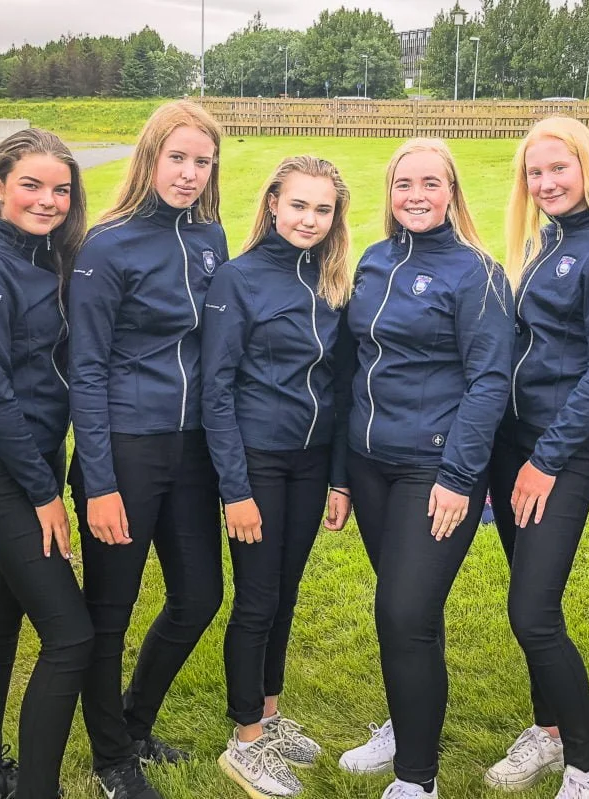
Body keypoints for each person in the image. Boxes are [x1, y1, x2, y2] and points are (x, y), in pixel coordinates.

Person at [337, 138, 514, 799]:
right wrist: (340, 474)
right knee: (407, 612)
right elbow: (350, 368)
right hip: (369, 463)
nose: (416, 195)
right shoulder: (374, 260)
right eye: (403, 183)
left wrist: (459, 477)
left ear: (452, 193)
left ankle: (418, 779)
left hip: (433, 469)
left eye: (430, 183)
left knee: (403, 610)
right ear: (389, 192)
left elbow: (490, 380)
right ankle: (407, 722)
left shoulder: (478, 273)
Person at [67, 99, 229, 799]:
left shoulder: (211, 237)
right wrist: (99, 482)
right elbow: (86, 369)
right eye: (177, 158)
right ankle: (112, 759)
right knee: (111, 610)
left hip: (191, 450)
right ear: (150, 158)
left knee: (199, 596)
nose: (189, 173)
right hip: (125, 449)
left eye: (202, 162)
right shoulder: (107, 245)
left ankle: (134, 723)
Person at [485, 116, 589, 799]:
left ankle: (587, 766)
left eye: (559, 168)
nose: (546, 182)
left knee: (533, 610)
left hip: (561, 450)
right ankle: (548, 731)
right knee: (528, 595)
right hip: (513, 443)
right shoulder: (545, 243)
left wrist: (547, 459)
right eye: (535, 172)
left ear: (586, 169)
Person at [202, 155, 355, 798]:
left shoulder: (333, 279)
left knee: (285, 592)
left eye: (322, 209)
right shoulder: (238, 279)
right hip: (257, 460)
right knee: (257, 597)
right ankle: (245, 740)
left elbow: (342, 387)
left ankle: (268, 713)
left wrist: (340, 479)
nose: (309, 220)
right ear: (272, 204)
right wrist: (235, 490)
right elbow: (215, 389)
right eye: (298, 205)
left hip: (310, 461)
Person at [0, 129, 89, 799]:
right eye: (31, 185)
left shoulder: (47, 256)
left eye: (60, 189)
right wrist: (43, 492)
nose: (48, 200)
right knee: (70, 633)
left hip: (36, 457)